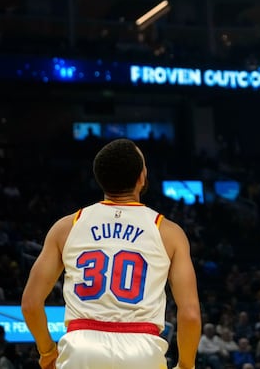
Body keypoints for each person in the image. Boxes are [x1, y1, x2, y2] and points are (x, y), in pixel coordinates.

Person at [21, 138, 201, 369]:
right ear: (141, 177)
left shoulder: (66, 227)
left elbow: (30, 303)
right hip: (142, 350)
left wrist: (47, 351)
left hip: (81, 348)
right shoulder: (169, 232)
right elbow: (190, 314)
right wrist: (186, 365)